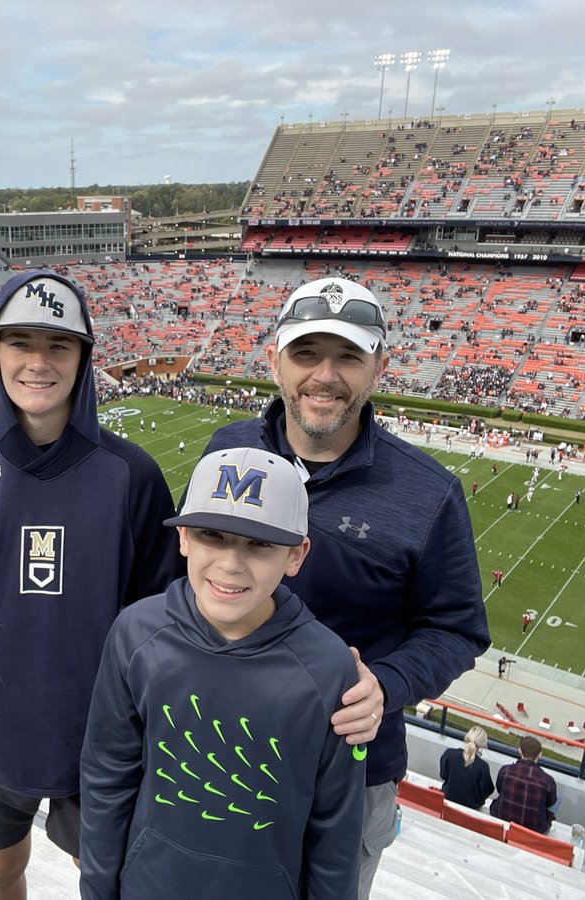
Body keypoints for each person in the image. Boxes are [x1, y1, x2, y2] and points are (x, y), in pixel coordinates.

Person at [201, 276, 489, 898]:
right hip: (224, 738)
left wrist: (387, 685)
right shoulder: (226, 451)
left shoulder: (427, 491)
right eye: (306, 354)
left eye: (348, 357)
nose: (325, 375)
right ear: (273, 358)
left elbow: (458, 627)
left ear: (379, 367)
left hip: (349, 769)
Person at [0, 271, 180, 899]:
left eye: (58, 346)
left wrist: (135, 717)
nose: (37, 362)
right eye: (20, 343)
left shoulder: (133, 476)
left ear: (84, 358)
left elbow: (162, 618)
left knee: (103, 882)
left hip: (101, 738)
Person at [80, 448, 364, 899]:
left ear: (296, 554)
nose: (231, 564)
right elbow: (107, 777)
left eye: (260, 544)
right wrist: (97, 890)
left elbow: (337, 829)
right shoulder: (136, 634)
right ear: (184, 538)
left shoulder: (329, 669)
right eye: (213, 534)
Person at [490, 736, 558, 834]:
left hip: (501, 815)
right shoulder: (548, 781)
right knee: (557, 798)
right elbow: (550, 803)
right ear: (540, 755)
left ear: (520, 751)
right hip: (535, 828)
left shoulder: (505, 770)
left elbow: (499, 789)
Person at [440, 726, 494, 810]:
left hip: (447, 800)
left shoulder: (449, 754)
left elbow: (443, 775)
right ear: (483, 744)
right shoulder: (483, 767)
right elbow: (487, 790)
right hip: (471, 808)